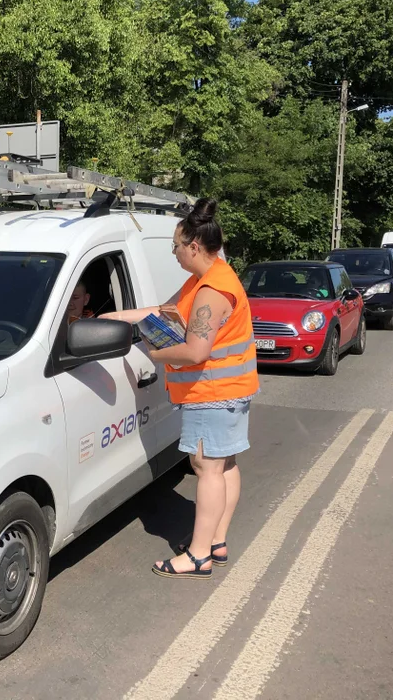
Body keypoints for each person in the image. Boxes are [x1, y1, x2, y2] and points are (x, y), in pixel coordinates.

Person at [100, 198, 259, 579]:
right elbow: (162, 312)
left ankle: (199, 554)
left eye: (175, 245)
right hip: (230, 389)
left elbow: (195, 350)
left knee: (206, 468)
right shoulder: (207, 279)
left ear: (193, 246)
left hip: (213, 393)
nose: (172, 252)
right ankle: (216, 541)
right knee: (224, 466)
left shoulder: (211, 292)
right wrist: (114, 318)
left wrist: (153, 354)